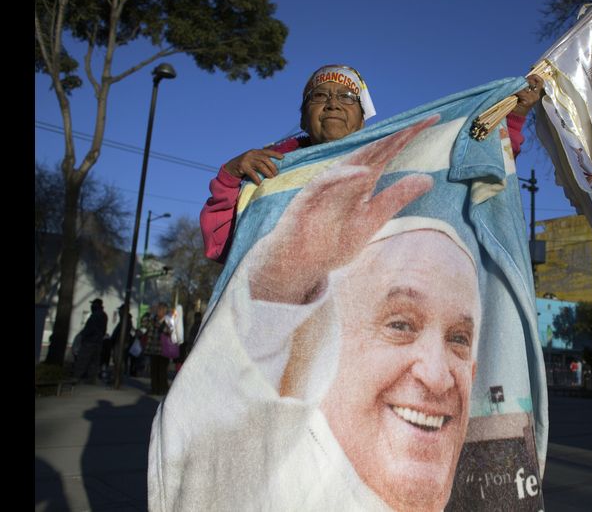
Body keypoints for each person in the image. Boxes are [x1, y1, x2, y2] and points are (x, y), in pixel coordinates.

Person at [150, 116, 483, 511]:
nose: (436, 376)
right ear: (332, 346)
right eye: (399, 325)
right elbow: (207, 447)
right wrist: (231, 185)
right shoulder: (271, 169)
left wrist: (505, 119)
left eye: (459, 338)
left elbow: (486, 175)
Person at [199, 64, 544, 263]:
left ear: (363, 120)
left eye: (347, 98)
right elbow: (223, 243)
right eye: (320, 96)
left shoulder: (395, 159)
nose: (333, 104)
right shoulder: (269, 168)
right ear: (303, 118)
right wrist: (231, 176)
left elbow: (468, 168)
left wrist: (512, 116)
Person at [72, 299, 108, 383]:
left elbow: (89, 328)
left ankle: (76, 377)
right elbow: (103, 330)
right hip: (98, 342)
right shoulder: (104, 315)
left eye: (93, 304)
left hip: (90, 341)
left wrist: (83, 336)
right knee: (94, 362)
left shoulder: (95, 315)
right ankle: (91, 378)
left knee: (83, 360)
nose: (91, 306)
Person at [143, 302, 172, 395]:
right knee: (154, 371)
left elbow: (170, 332)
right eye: (158, 309)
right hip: (153, 349)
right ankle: (154, 389)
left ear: (164, 311)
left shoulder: (168, 320)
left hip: (164, 350)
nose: (158, 311)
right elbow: (144, 324)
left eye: (161, 309)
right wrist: (148, 314)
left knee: (162, 371)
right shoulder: (152, 319)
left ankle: (163, 389)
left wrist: (160, 325)